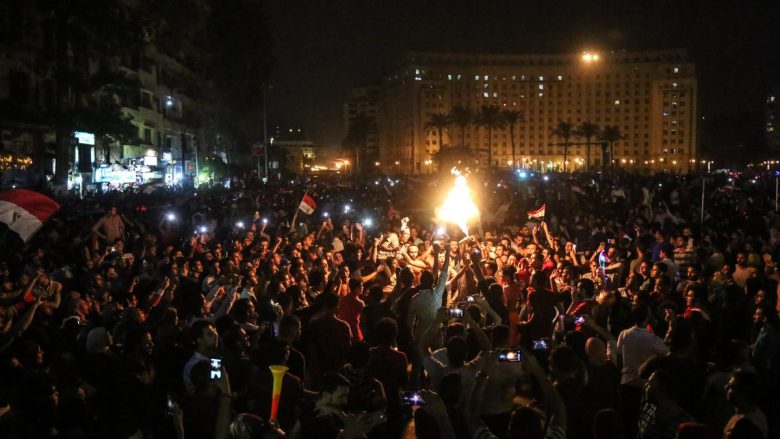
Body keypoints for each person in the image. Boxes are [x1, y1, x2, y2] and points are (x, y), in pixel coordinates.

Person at [723, 369, 768, 439]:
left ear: (744, 392)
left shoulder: (747, 423)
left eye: (732, 387)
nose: (726, 388)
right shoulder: (741, 412)